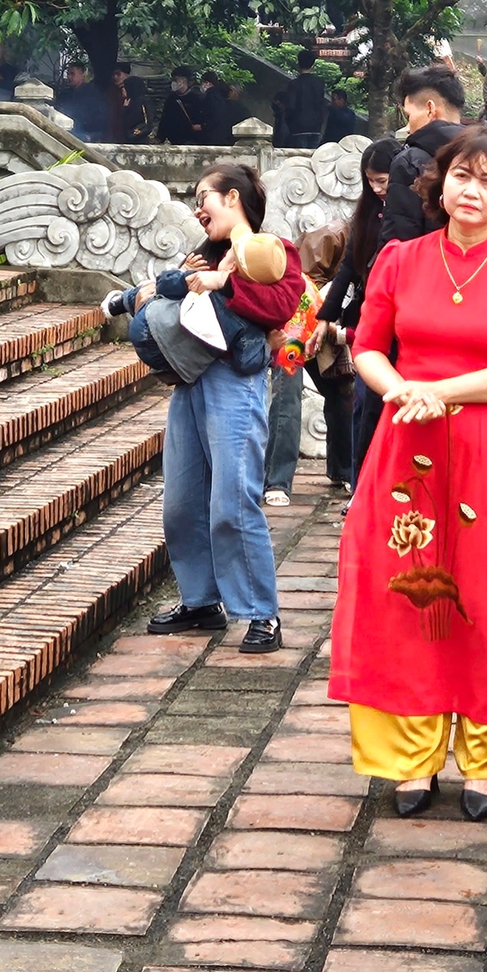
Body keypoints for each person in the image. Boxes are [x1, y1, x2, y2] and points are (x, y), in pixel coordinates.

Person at [331, 126, 487, 820]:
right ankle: (413, 756)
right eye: (462, 174)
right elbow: (367, 346)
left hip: (482, 444)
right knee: (402, 590)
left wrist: (444, 393)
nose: (472, 190)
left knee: (479, 599)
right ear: (439, 182)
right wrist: (401, 390)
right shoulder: (400, 258)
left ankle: (484, 759)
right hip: (404, 437)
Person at [147, 163, 305, 653]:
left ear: (232, 197)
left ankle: (261, 612)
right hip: (189, 383)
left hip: (235, 383)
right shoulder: (202, 255)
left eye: (204, 197)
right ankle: (200, 600)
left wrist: (224, 283)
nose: (198, 208)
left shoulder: (272, 249)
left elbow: (282, 304)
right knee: (182, 500)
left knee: (232, 500)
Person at [321, 139, 399, 478]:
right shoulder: (368, 211)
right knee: (363, 403)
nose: (377, 188)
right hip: (367, 319)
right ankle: (358, 482)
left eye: (383, 181)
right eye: (371, 181)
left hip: (400, 320)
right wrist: (327, 313)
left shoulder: (411, 212)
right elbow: (349, 265)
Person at [264, 224, 356, 507]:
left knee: (343, 389)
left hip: (323, 328)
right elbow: (296, 283)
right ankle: (277, 481)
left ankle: (344, 469)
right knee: (287, 395)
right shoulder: (331, 236)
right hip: (293, 324)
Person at [382, 63, 466, 242]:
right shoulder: (486, 156)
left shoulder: (409, 162)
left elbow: (399, 236)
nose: (407, 128)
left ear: (430, 109)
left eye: (409, 116)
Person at [54, 62, 107, 141]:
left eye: (72, 74)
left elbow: (99, 117)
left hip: (88, 133)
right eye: (68, 74)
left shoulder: (92, 93)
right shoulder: (64, 94)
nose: (69, 77)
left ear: (82, 74)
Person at [158, 67, 202, 144]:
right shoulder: (171, 98)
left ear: (184, 80)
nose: (173, 82)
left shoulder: (196, 98)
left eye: (176, 80)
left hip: (192, 141)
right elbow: (165, 119)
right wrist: (159, 137)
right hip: (175, 140)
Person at [108, 61, 145, 142]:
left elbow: (146, 123)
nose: (115, 77)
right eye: (113, 74)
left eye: (118, 74)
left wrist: (133, 133)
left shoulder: (138, 98)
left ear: (127, 75)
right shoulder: (111, 92)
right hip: (115, 134)